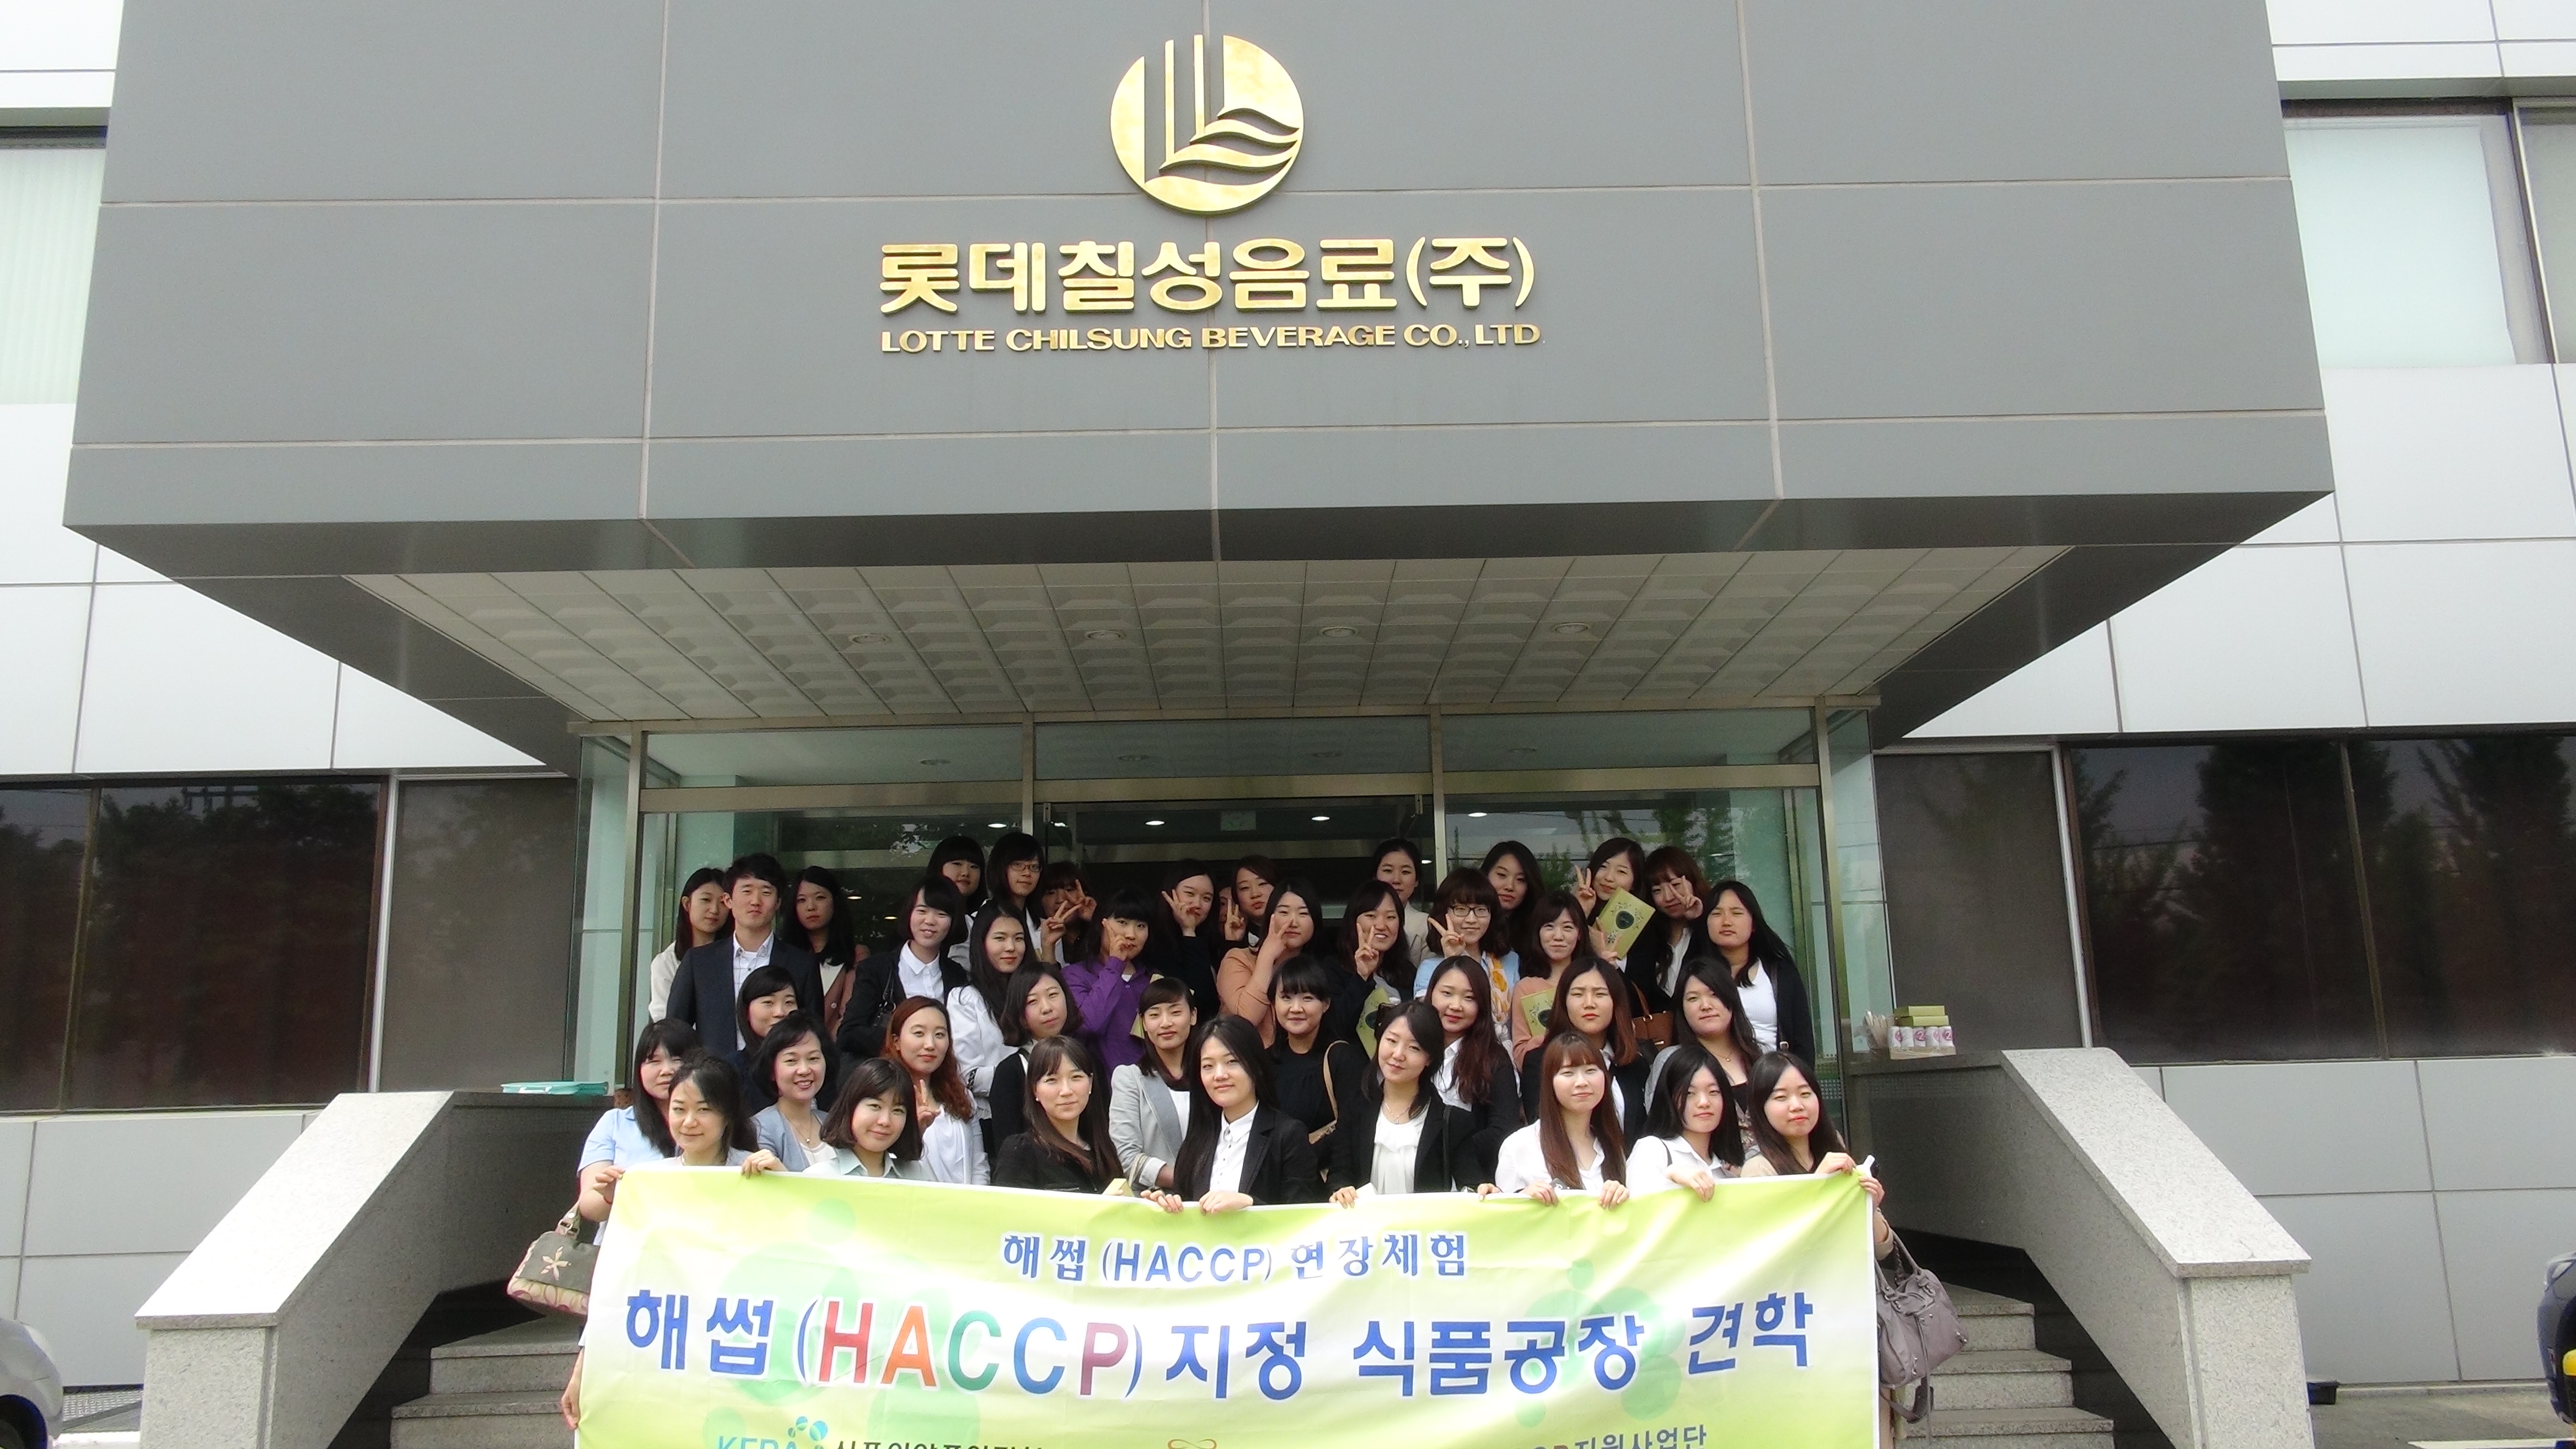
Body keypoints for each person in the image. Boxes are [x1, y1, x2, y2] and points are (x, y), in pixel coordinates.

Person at [560, 1052, 780, 1431]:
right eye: (679, 1109)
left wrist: (787, 1185)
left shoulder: (760, 1173)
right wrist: (584, 1367)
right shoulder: (646, 1182)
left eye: (704, 1110)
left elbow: (799, 1256)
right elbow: (618, 1286)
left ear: (728, 1114)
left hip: (738, 1347)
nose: (689, 1122)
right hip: (664, 1352)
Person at [1158, 1017, 1324, 1210]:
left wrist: (1249, 1204)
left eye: (1232, 1062)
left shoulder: (1287, 1136)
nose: (1220, 1075)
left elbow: (1302, 1214)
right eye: (1208, 1066)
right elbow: (1185, 1202)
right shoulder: (1198, 1138)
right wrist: (1167, 1207)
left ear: (1256, 1066)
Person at [668, 854, 824, 1059]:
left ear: (778, 902)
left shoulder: (803, 965)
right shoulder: (698, 963)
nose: (755, 901)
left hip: (779, 1076)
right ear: (728, 900)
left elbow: (814, 1033)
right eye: (747, 891)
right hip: (715, 1075)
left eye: (766, 892)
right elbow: (675, 1032)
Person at [1740, 1053, 1895, 1256]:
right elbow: (1773, 1255)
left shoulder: (1833, 1147)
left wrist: (1868, 1207)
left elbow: (1882, 1250)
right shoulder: (1758, 1170)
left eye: (1805, 1094)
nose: (1797, 1106)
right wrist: (1817, 1185)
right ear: (1761, 1108)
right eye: (1781, 1097)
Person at [1330, 1001, 1475, 1201]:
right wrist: (1341, 1191)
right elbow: (1339, 1174)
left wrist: (1484, 1189)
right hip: (1368, 1222)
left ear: (1429, 1058)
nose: (1398, 1055)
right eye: (1391, 1040)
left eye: (1414, 1048)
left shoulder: (1452, 1122)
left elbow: (1473, 1186)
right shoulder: (1356, 1109)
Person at [573, 1019, 697, 1239]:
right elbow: (589, 1207)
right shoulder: (615, 1123)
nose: (666, 1070)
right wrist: (611, 1195)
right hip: (626, 1250)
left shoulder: (717, 1121)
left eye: (677, 1059)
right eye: (654, 1061)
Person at [1517, 956, 1651, 1140]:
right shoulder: (1540, 1061)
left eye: (1600, 994)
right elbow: (1543, 1131)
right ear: (1564, 1002)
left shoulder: (1635, 1062)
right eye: (1578, 994)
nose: (1589, 1003)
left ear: (1616, 1002)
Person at [837, 877, 970, 1062]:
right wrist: (902, 1043)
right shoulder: (877, 969)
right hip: (891, 1076)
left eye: (941, 914)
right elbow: (849, 1034)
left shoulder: (956, 975)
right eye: (922, 911)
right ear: (909, 914)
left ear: (953, 921)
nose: (930, 921)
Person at [1491, 1031, 1631, 1205]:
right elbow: (1504, 1215)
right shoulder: (1519, 1146)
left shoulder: (1612, 1144)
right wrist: (1523, 1199)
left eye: (1590, 1071)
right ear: (1549, 1082)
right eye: (1568, 1073)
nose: (1582, 1082)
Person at [1420, 957, 1523, 1185]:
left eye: (1469, 998)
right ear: (1431, 993)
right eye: (1447, 994)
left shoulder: (1493, 1058)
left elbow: (1503, 1129)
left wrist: (1446, 1152)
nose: (1456, 1006)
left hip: (1472, 1181)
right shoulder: (1412, 1048)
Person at [1643, 958, 1762, 1140]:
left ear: (1731, 999)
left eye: (1714, 995)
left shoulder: (1758, 1055)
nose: (1706, 1006)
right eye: (1693, 998)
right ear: (1682, 1008)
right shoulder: (1671, 1060)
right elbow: (1661, 1127)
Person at [992, 1035, 1128, 1194]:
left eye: (1076, 1077)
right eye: (1052, 1080)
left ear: (1090, 1083)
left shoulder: (1104, 1149)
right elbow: (1009, 1209)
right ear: (1034, 1089)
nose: (1066, 1091)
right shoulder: (1021, 1151)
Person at [1705, 878, 1819, 1067]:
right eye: (1717, 913)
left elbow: (1803, 1043)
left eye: (1737, 913)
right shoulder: (1697, 975)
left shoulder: (1780, 973)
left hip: (1773, 1077)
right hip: (1715, 1079)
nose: (1726, 921)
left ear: (1754, 924)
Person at [1267, 956, 1367, 1161]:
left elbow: (1353, 1128)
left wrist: (1300, 1160)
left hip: (1324, 1175)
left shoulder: (1343, 1059)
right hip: (1274, 1176)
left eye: (1307, 998)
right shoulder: (1264, 1061)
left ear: (1326, 1004)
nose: (1296, 1008)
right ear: (1273, 1003)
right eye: (1286, 998)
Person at [882, 996, 988, 1186]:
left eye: (940, 1035)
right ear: (896, 1041)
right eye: (919, 1033)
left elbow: (979, 1164)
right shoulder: (884, 1097)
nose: (930, 1044)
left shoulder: (961, 1096)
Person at [1108, 977, 1195, 1192]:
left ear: (1193, 1016)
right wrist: (1188, 1181)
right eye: (1154, 1015)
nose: (1165, 1023)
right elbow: (1127, 1157)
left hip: (1218, 1199)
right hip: (1156, 1201)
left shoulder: (1211, 1075)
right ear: (1143, 1022)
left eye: (1175, 1012)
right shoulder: (1129, 1078)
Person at [1628, 1043, 1742, 1198]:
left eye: (1713, 1092)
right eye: (1689, 1093)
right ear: (1670, 1099)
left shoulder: (1725, 1173)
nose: (1704, 1102)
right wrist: (1669, 1176)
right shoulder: (1653, 1149)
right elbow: (1639, 1208)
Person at [952, 905, 1029, 1127]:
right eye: (1000, 938)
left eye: (1019, 938)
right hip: (992, 1118)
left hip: (1045, 1113)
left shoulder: (1035, 993)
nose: (1011, 947)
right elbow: (968, 1076)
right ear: (981, 943)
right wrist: (1027, 1073)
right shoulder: (966, 999)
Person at [1215, 881, 1320, 1044]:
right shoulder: (1238, 959)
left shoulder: (1318, 970)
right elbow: (1247, 1018)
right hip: (1246, 1057)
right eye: (1284, 912)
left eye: (1303, 913)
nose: (1293, 922)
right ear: (1270, 917)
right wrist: (1266, 957)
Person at [989, 963, 1081, 1145]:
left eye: (1053, 995)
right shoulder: (1010, 1073)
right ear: (1019, 1013)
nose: (1047, 1008)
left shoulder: (1086, 1060)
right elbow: (1008, 1147)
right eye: (1032, 1001)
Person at [1064, 889, 1154, 1074]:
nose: (1131, 934)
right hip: (1100, 1086)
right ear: (1101, 924)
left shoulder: (1153, 979)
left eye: (1141, 926)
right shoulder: (1075, 975)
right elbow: (1089, 1024)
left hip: (1149, 1084)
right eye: (1122, 922)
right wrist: (1115, 964)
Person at [802, 1056, 935, 1180]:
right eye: (875, 1106)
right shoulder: (819, 1178)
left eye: (898, 1111)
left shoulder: (916, 1176)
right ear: (851, 1107)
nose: (885, 1121)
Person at [1414, 868, 1515, 1021]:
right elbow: (1428, 1023)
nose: (1472, 920)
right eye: (1461, 909)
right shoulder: (1430, 969)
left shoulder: (1510, 961)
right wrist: (1452, 961)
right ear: (1444, 913)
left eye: (1481, 910)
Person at [1629, 846, 1715, 1015]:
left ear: (1693, 882)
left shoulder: (1712, 925)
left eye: (1676, 885)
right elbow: (1636, 993)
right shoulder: (1648, 937)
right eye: (1657, 891)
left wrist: (1699, 920)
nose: (1668, 897)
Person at [1507, 889, 1586, 1066]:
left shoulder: (1593, 980)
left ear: (1580, 934)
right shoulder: (1527, 988)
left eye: (1568, 927)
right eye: (1549, 927)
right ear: (1538, 932)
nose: (1558, 936)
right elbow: (1520, 1056)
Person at [749, 1011, 836, 1171]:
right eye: (791, 1061)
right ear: (772, 1070)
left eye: (813, 1059)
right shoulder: (759, 1128)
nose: (804, 1070)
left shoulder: (834, 1124)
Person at [1330, 880, 1410, 1054]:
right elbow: (1336, 1030)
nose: (1381, 925)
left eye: (1391, 917)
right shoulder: (1332, 970)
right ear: (1354, 922)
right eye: (1372, 916)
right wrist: (1362, 978)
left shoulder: (1407, 972)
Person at [1138, 860, 1222, 1017]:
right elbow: (1197, 999)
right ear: (1170, 894)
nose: (1197, 904)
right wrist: (1188, 931)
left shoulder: (1210, 939)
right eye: (1190, 894)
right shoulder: (1152, 939)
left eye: (1206, 898)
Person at [646, 867, 727, 1021]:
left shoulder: (737, 955)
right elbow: (665, 1020)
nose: (714, 910)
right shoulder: (667, 962)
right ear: (687, 904)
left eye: (723, 903)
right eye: (706, 900)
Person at [793, 865, 863, 1040]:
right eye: (801, 900)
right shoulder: (786, 955)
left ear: (835, 901)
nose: (811, 907)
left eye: (820, 897)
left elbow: (848, 1013)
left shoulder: (856, 955)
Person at [729, 964, 801, 1108]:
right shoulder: (731, 1070)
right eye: (769, 1003)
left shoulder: (814, 1066)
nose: (780, 1012)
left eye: (789, 1002)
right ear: (747, 1011)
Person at [1481, 840, 1544, 963]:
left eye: (1521, 880)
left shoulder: (1538, 930)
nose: (1510, 886)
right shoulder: (1469, 924)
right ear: (1485, 874)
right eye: (1502, 875)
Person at [1370, 838, 1431, 960]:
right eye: (1388, 871)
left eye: (1405, 872)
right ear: (1375, 877)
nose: (1396, 880)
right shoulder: (1361, 919)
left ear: (1417, 881)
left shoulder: (1426, 925)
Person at [1032, 860, 1095, 964]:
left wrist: (1096, 918)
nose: (1060, 900)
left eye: (1069, 890)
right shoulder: (1032, 939)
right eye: (1051, 893)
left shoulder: (1099, 933)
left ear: (1085, 893)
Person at [1574, 837, 1649, 921]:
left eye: (1621, 871)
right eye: (1603, 866)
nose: (1609, 878)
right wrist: (1580, 912)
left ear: (1635, 883)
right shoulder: (1566, 911)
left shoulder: (1646, 923)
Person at [984, 830, 1044, 926]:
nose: (1027, 873)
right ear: (1000, 867)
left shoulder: (1043, 926)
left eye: (1034, 867)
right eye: (1018, 865)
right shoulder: (976, 921)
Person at [1224, 855, 1282, 951]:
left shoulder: (1295, 932)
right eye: (1245, 888)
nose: (1255, 894)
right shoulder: (1237, 938)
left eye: (1262, 884)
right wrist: (1232, 942)